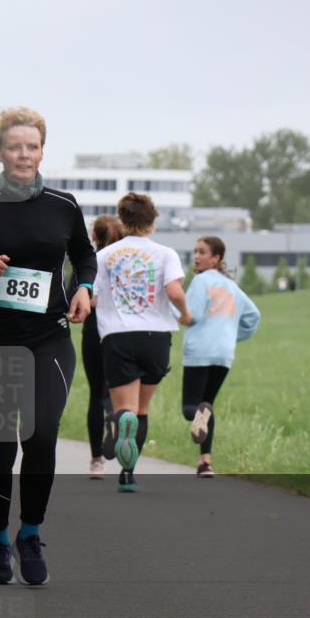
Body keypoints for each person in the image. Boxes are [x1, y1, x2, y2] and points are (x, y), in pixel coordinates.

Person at [0, 107, 96, 586]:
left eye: (32, 146)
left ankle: (30, 533)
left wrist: (84, 288)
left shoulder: (64, 205)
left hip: (49, 337)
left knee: (40, 437)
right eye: (15, 146)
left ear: (42, 151)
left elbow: (84, 256)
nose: (24, 154)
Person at [93, 192, 192, 493]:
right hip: (156, 337)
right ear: (153, 220)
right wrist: (185, 313)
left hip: (118, 336)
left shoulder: (104, 256)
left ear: (123, 220)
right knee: (143, 409)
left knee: (126, 408)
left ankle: (121, 419)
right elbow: (174, 291)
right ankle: (128, 473)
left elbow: (94, 297)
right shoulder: (165, 254)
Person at [180, 236, 261, 477]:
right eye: (195, 251)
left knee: (190, 408)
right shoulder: (232, 287)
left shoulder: (201, 281)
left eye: (202, 252)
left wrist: (178, 313)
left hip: (199, 351)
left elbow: (191, 315)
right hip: (224, 353)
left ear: (216, 258)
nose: (196, 256)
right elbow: (254, 316)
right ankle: (205, 462)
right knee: (207, 406)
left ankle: (200, 430)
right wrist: (232, 335)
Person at [82, 215, 123, 478]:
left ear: (94, 237)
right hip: (122, 331)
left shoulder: (89, 263)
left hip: (95, 331)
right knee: (117, 391)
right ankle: (115, 418)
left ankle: (97, 460)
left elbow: (80, 296)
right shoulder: (124, 262)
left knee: (96, 393)